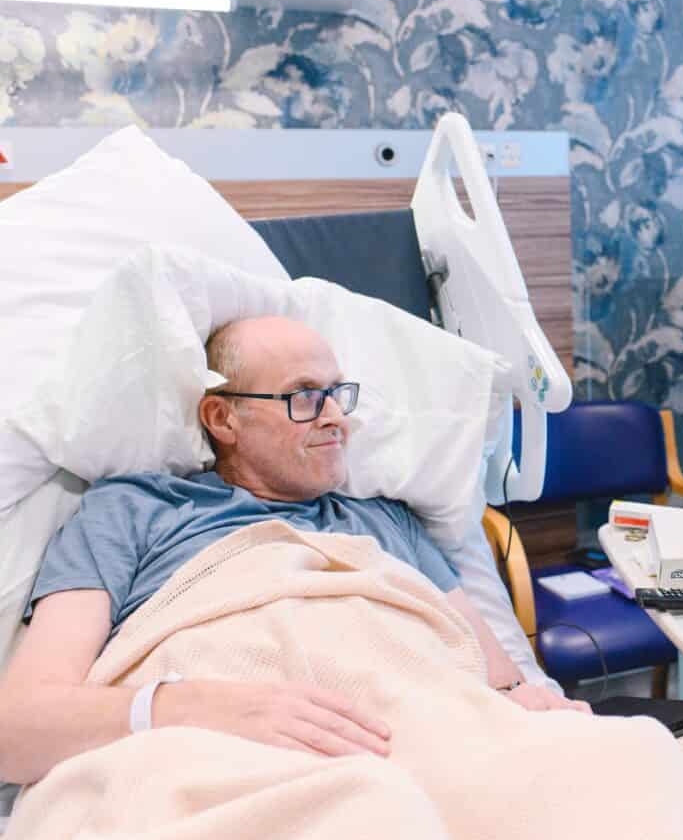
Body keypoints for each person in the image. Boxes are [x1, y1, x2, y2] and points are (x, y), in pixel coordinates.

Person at [0, 315, 586, 788]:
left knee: (631, 759)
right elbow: (16, 730)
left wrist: (533, 710)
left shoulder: (388, 523)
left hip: (424, 753)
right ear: (222, 417)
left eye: (337, 394)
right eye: (304, 396)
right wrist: (189, 707)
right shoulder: (131, 512)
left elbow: (499, 684)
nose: (336, 419)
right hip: (234, 770)